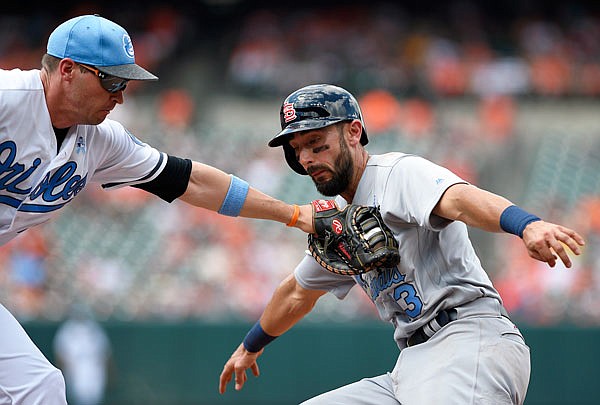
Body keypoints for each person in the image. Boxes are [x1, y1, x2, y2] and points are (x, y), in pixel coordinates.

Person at [0, 14, 319, 404]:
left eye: (126, 84)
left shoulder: (101, 142)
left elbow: (191, 180)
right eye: (111, 80)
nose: (120, 96)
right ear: (67, 70)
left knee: (41, 388)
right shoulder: (8, 96)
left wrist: (291, 214)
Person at [219, 84, 585, 404]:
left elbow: (459, 199)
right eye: (297, 150)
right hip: (411, 365)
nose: (306, 158)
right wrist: (250, 346)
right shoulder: (339, 221)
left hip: (468, 340)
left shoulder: (398, 174)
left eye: (316, 143)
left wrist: (527, 225)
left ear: (352, 132)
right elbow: (298, 292)